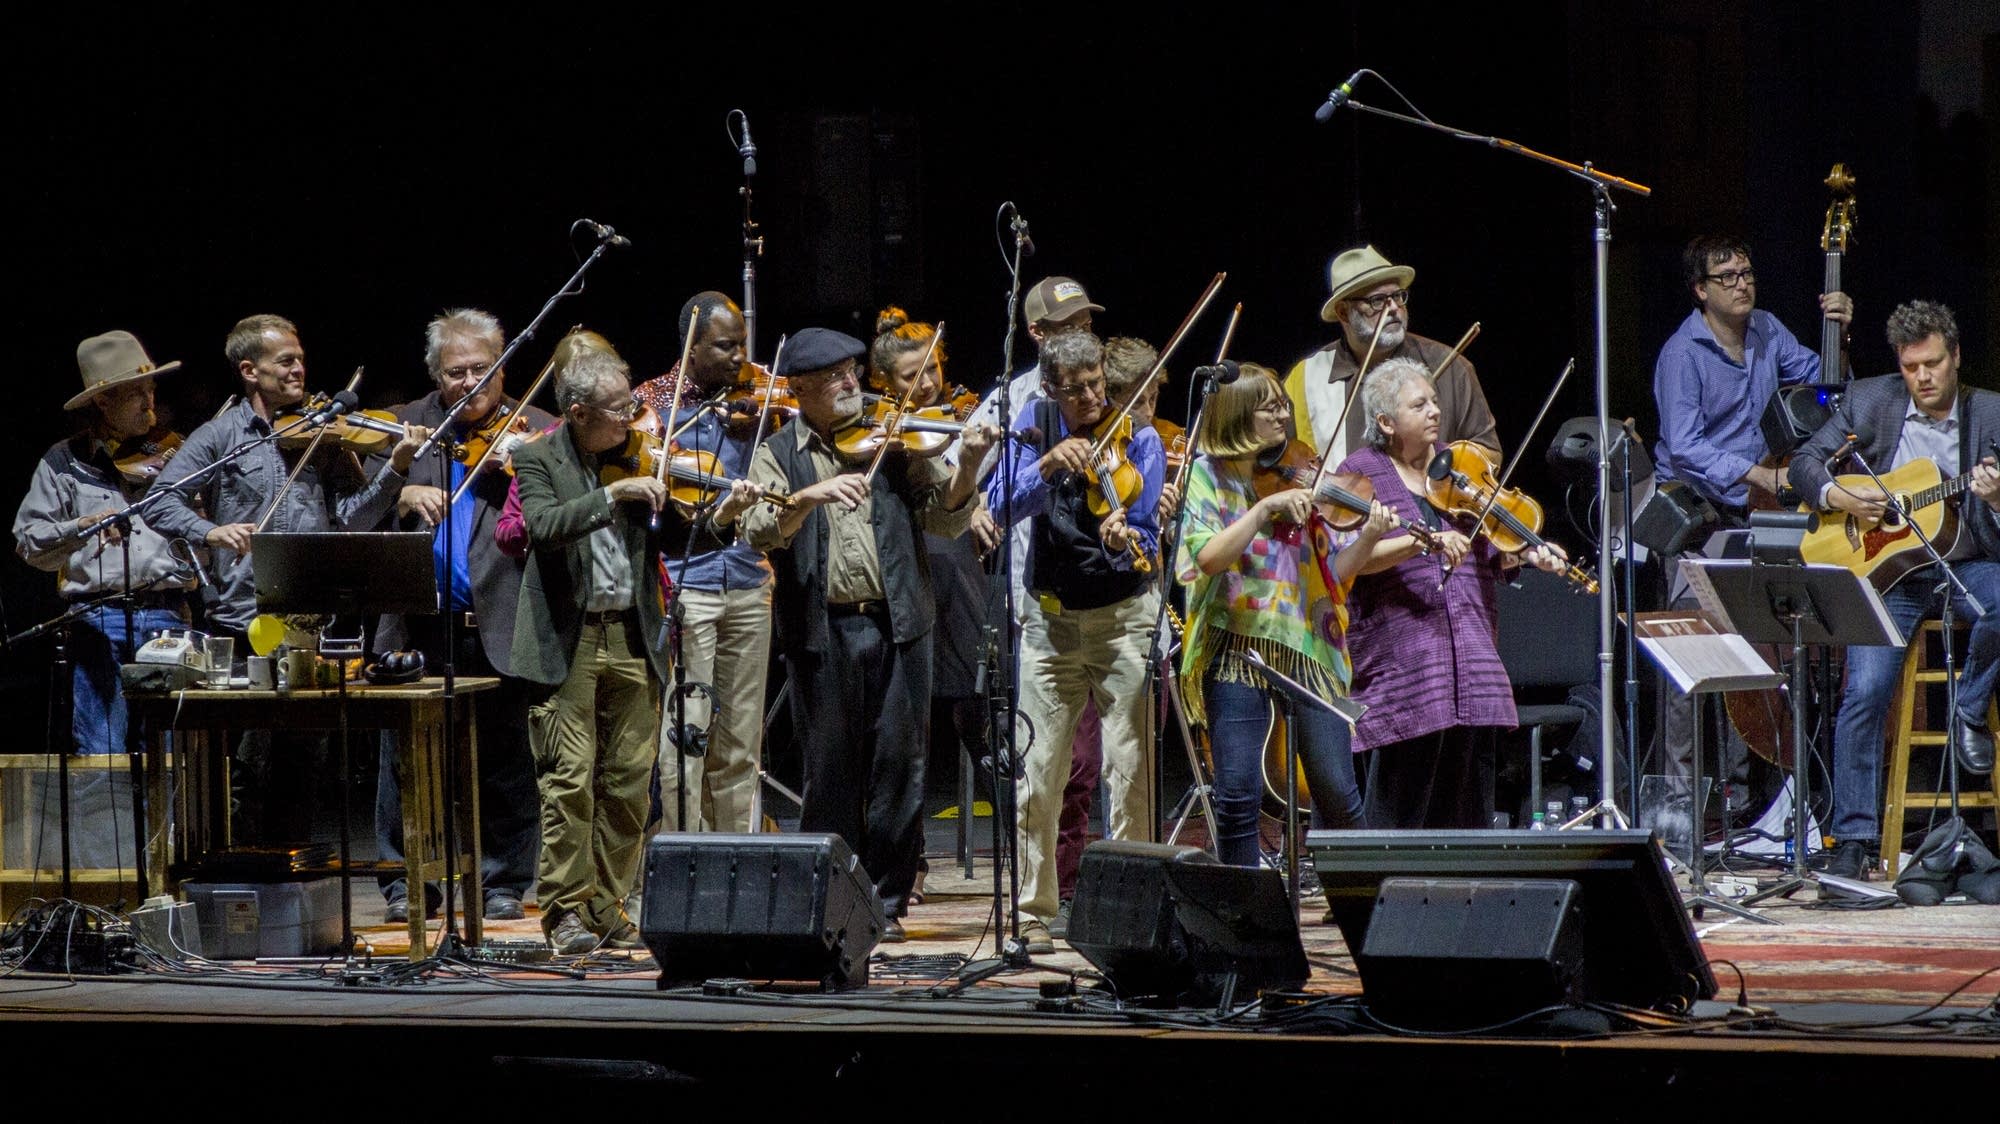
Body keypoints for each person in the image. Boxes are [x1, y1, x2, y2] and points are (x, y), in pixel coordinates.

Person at [742, 328, 995, 942]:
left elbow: (945, 513)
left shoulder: (895, 440)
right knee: (829, 770)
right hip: (821, 626)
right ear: (800, 390)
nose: (852, 383)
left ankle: (885, 901)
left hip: (900, 621)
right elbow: (756, 529)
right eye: (835, 377)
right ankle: (833, 899)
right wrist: (807, 497)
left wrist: (970, 461)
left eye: (854, 370)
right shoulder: (780, 450)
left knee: (898, 768)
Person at [512, 344, 762, 954]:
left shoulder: (640, 458)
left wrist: (724, 510)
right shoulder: (537, 456)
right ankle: (565, 912)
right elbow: (540, 526)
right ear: (575, 413)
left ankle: (606, 903)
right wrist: (609, 498)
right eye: (618, 412)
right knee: (569, 781)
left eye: (631, 409)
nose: (633, 421)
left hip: (631, 634)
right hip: (567, 641)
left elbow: (680, 531)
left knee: (627, 782)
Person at [145, 315, 424, 843]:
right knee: (250, 761)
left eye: (300, 358)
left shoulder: (322, 433)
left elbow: (353, 517)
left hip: (309, 620)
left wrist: (397, 469)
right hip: (241, 618)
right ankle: (247, 872)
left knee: (305, 758)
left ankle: (293, 879)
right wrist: (210, 530)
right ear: (249, 371)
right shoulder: (222, 435)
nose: (300, 369)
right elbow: (161, 500)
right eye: (286, 361)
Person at [1786, 301, 2000, 880]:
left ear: (1955, 357)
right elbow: (1803, 463)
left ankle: (1968, 709)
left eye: (1932, 364)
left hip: (1966, 564)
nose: (1923, 378)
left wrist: (1997, 500)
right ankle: (1852, 839)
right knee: (1866, 691)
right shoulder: (1869, 400)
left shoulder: (1992, 415)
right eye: (1911, 367)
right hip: (1888, 574)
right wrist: (1844, 499)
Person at [370, 309, 555, 924]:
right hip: (419, 626)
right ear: (435, 375)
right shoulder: (400, 428)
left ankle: (503, 881)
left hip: (499, 621)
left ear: (505, 367)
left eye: (485, 369)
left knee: (505, 762)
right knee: (408, 767)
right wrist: (399, 489)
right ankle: (406, 883)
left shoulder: (539, 430)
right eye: (458, 372)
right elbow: (355, 509)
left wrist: (527, 468)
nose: (472, 382)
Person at [1650, 235, 1854, 786]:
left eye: (1747, 273)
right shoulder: (1682, 354)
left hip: (1759, 509)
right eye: (1727, 277)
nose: (1742, 284)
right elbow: (1686, 445)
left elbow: (1828, 390)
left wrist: (1842, 334)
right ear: (1700, 291)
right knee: (1693, 648)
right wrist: (1760, 473)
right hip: (1699, 513)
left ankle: (1755, 795)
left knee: (1762, 649)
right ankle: (1681, 797)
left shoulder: (1766, 328)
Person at [1335, 357, 1571, 829]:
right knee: (1401, 815)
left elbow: (1493, 547)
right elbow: (1349, 563)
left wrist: (1527, 553)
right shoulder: (1360, 473)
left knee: (1468, 816)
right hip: (1405, 667)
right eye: (1418, 404)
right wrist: (1420, 540)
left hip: (1474, 656)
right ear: (1384, 421)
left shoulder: (1462, 469)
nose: (1434, 412)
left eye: (1435, 402)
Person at [987, 330, 1162, 954]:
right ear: (1050, 388)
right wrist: (1043, 468)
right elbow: (997, 505)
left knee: (1131, 767)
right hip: (1050, 622)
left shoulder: (1138, 436)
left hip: (1121, 620)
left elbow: (1143, 526)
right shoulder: (1032, 427)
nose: (1091, 398)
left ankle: (1131, 906)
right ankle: (1034, 914)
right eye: (1076, 389)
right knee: (1038, 770)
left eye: (1097, 384)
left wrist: (1123, 536)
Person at [1176, 363, 1386, 866]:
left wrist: (1373, 536)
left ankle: (1372, 909)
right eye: (1269, 405)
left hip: (1308, 642)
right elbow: (1206, 558)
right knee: (1237, 795)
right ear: (1238, 414)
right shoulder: (1207, 475)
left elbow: (1332, 568)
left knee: (1337, 789)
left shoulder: (1304, 473)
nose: (1282, 412)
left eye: (1281, 404)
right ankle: (1245, 927)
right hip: (1235, 646)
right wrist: (1261, 511)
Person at [14, 331, 200, 755]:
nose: (149, 402)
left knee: (173, 756)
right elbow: (28, 543)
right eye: (135, 393)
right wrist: (83, 525)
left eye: (151, 388)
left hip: (168, 612)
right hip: (98, 619)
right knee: (102, 750)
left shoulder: (177, 454)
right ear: (102, 401)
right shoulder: (64, 461)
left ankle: (171, 827)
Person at [631, 292, 775, 834]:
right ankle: (682, 857)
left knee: (741, 739)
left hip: (749, 581)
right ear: (692, 347)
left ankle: (739, 858)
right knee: (684, 734)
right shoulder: (653, 406)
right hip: (686, 584)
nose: (741, 358)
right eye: (726, 346)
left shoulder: (759, 403)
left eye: (743, 344)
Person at [867, 307, 996, 902]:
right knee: (904, 731)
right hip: (903, 574)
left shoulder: (962, 416)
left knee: (979, 704)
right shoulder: (873, 434)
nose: (924, 386)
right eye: (909, 378)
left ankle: (1022, 857)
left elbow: (968, 487)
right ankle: (906, 863)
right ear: (883, 385)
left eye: (932, 370)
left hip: (956, 568)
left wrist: (978, 499)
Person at [1284, 245, 1500, 468]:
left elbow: (1489, 454)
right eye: (1377, 301)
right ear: (1342, 312)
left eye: (1398, 296)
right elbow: (1282, 458)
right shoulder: (1307, 377)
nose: (1394, 308)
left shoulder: (1452, 366)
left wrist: (1437, 468)